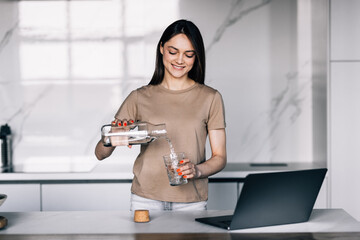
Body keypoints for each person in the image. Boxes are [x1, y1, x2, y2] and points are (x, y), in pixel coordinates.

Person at [95, 19, 226, 211]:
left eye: (188, 54)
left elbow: (220, 157)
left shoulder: (210, 98)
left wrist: (197, 170)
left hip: (191, 202)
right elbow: (100, 154)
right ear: (161, 48)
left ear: (196, 57)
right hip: (145, 199)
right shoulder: (139, 97)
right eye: (173, 52)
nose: (180, 60)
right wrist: (113, 136)